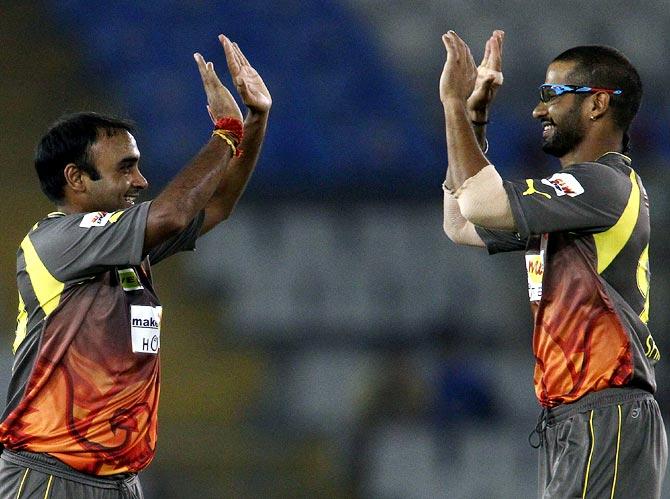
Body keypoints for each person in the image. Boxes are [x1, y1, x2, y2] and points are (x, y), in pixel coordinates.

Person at [0, 34, 271, 498]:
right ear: (76, 178)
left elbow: (219, 204)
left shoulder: (124, 249)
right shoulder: (55, 242)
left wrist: (255, 119)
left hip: (121, 483)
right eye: (125, 168)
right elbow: (172, 213)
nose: (141, 181)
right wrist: (225, 131)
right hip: (48, 478)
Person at [440, 30, 667, 498]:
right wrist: (472, 123)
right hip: (580, 418)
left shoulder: (603, 185)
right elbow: (460, 223)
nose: (538, 110)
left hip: (606, 412)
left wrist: (454, 107)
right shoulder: (571, 200)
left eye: (552, 94)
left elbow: (480, 204)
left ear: (597, 104)